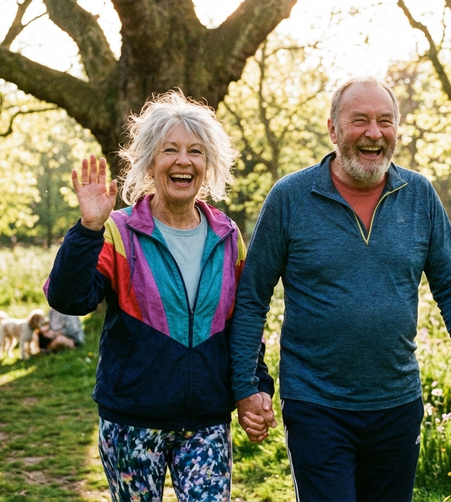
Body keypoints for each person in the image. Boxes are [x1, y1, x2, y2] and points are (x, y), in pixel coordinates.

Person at [229, 77, 451, 501]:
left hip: (397, 402)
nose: (374, 133)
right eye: (360, 121)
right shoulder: (290, 198)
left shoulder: (420, 195)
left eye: (385, 121)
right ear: (333, 130)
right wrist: (245, 386)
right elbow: (251, 298)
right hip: (316, 403)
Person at [45, 91, 274, 502]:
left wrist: (256, 386)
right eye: (170, 150)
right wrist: (88, 228)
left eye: (196, 151)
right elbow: (68, 299)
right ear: (151, 161)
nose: (183, 160)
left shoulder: (227, 236)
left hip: (206, 421)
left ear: (208, 165)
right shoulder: (117, 230)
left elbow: (246, 323)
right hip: (132, 421)